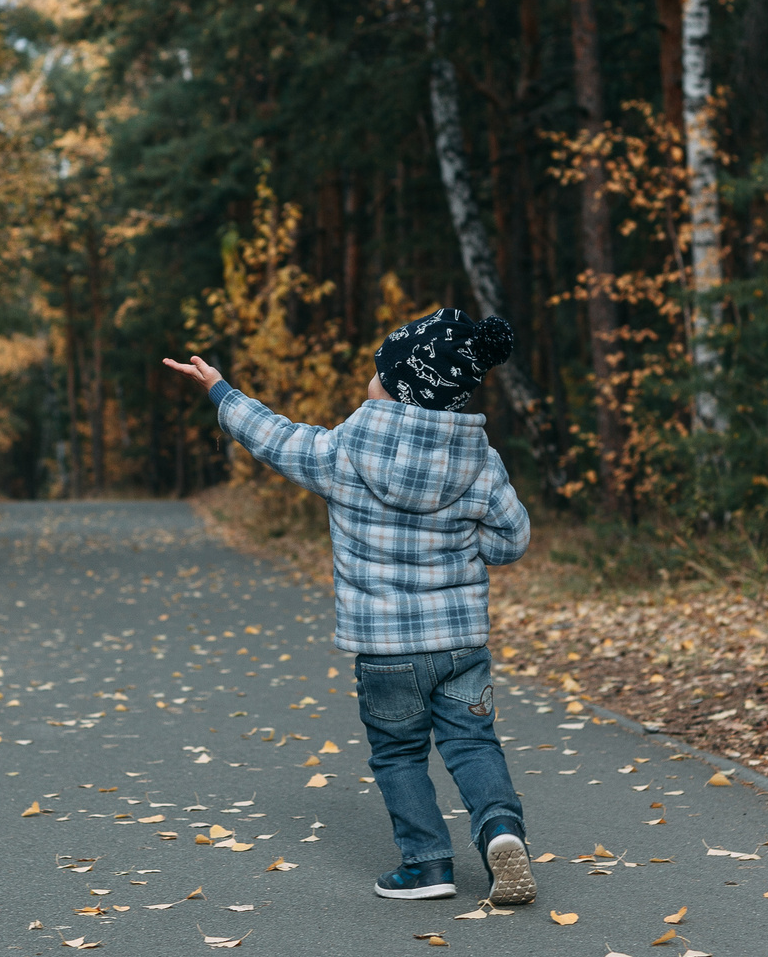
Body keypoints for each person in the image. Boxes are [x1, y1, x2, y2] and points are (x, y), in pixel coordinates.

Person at [163, 307, 535, 904]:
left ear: (399, 387)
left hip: (386, 650)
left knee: (398, 752)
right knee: (472, 743)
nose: (370, 381)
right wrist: (471, 542)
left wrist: (220, 390)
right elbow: (511, 540)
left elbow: (273, 436)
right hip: (462, 645)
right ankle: (500, 831)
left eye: (378, 373)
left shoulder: (341, 452)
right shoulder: (481, 461)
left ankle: (427, 865)